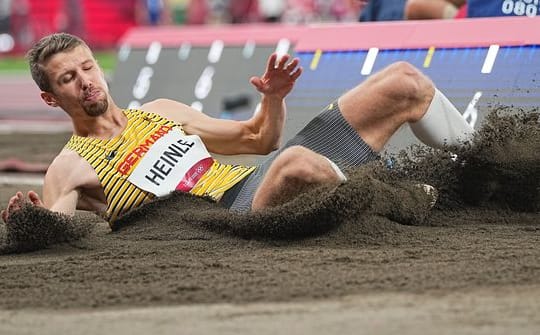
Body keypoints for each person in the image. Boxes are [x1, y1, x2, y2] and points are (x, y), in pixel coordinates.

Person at [1, 33, 474, 228]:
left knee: (404, 81)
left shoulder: (161, 110)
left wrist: (273, 98)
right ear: (50, 97)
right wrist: (28, 224)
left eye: (88, 68)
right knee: (295, 164)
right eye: (69, 79)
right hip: (225, 224)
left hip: (257, 186)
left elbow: (257, 140)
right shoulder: (70, 164)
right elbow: (58, 229)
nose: (86, 82)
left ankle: (489, 168)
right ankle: (410, 198)